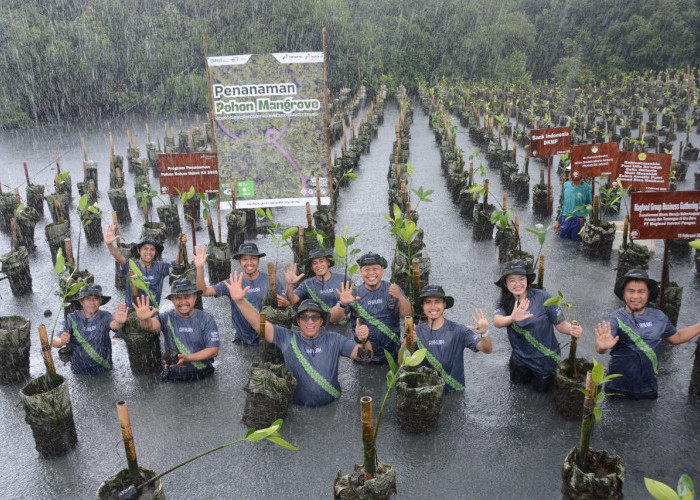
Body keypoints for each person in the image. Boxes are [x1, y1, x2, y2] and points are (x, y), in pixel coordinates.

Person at [224, 270, 372, 406]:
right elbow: (259, 325)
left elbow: (365, 356)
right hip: (299, 408)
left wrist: (363, 339)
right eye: (305, 317)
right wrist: (240, 301)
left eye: (315, 317)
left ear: (321, 321)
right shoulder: (286, 337)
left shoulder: (334, 339)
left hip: (332, 406)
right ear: (298, 321)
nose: (310, 321)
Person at [594, 269, 700, 400]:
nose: (636, 297)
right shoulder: (615, 319)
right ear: (623, 293)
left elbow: (677, 337)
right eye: (631, 291)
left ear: (648, 294)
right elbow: (602, 346)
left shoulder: (659, 317)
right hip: (617, 388)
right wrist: (602, 347)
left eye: (641, 292)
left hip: (648, 388)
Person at [493, 260, 583, 393]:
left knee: (542, 396)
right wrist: (512, 317)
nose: (517, 284)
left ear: (527, 280)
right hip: (519, 359)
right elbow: (497, 321)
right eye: (512, 280)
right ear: (506, 284)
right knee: (518, 393)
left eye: (521, 278)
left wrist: (572, 330)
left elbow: (561, 325)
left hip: (545, 360)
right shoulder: (505, 303)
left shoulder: (543, 298)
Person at [400, 285, 492, 393]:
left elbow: (487, 349)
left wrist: (485, 333)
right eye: (428, 302)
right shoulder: (416, 331)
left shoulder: (459, 331)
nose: (433, 306)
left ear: (444, 304)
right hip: (425, 393)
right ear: (422, 305)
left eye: (437, 301)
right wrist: (407, 341)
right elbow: (400, 361)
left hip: (453, 393)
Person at [194, 242, 288, 345]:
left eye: (253, 258)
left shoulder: (271, 281)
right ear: (239, 261)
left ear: (258, 260)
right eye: (245, 259)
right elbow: (204, 292)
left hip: (266, 338)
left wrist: (285, 304)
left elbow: (285, 307)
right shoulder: (232, 282)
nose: (249, 263)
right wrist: (200, 268)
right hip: (242, 339)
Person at [330, 252, 411, 363]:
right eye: (367, 269)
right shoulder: (353, 293)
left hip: (393, 353)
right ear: (360, 272)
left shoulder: (392, 289)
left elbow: (408, 316)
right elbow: (333, 319)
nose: (371, 273)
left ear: (382, 270)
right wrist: (342, 304)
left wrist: (400, 297)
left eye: (375, 269)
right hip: (365, 355)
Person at [133, 277, 219, 382]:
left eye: (187, 297)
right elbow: (151, 327)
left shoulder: (206, 319)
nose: (183, 302)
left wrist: (187, 358)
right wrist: (145, 319)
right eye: (178, 298)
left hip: (203, 373)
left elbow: (213, 351)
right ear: (172, 300)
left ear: (195, 297)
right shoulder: (165, 317)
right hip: (174, 375)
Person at [52, 284, 127, 375]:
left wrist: (119, 322)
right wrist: (62, 341)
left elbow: (114, 325)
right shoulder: (71, 318)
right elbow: (54, 342)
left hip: (104, 370)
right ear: (81, 301)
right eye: (87, 299)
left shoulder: (105, 316)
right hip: (78, 372)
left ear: (100, 301)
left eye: (95, 298)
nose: (92, 302)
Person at [103, 225, 183, 307]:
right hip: (132, 313)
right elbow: (118, 257)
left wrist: (181, 246)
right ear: (138, 250)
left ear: (155, 252)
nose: (149, 252)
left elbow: (178, 262)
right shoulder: (131, 265)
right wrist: (109, 244)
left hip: (152, 313)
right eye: (145, 248)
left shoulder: (161, 267)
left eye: (152, 249)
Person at [284, 248, 345, 316]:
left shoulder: (343, 279)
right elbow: (292, 301)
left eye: (321, 261)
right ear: (311, 267)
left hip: (344, 323)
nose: (318, 265)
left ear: (328, 262)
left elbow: (355, 301)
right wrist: (290, 285)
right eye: (314, 263)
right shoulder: (307, 284)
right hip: (318, 323)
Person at [553, 167, 592, 241]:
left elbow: (589, 206)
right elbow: (563, 204)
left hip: (578, 220)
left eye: (571, 171)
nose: (569, 174)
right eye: (569, 171)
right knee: (562, 242)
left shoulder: (586, 188)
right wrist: (558, 221)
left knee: (576, 243)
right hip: (565, 218)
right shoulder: (566, 185)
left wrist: (590, 224)